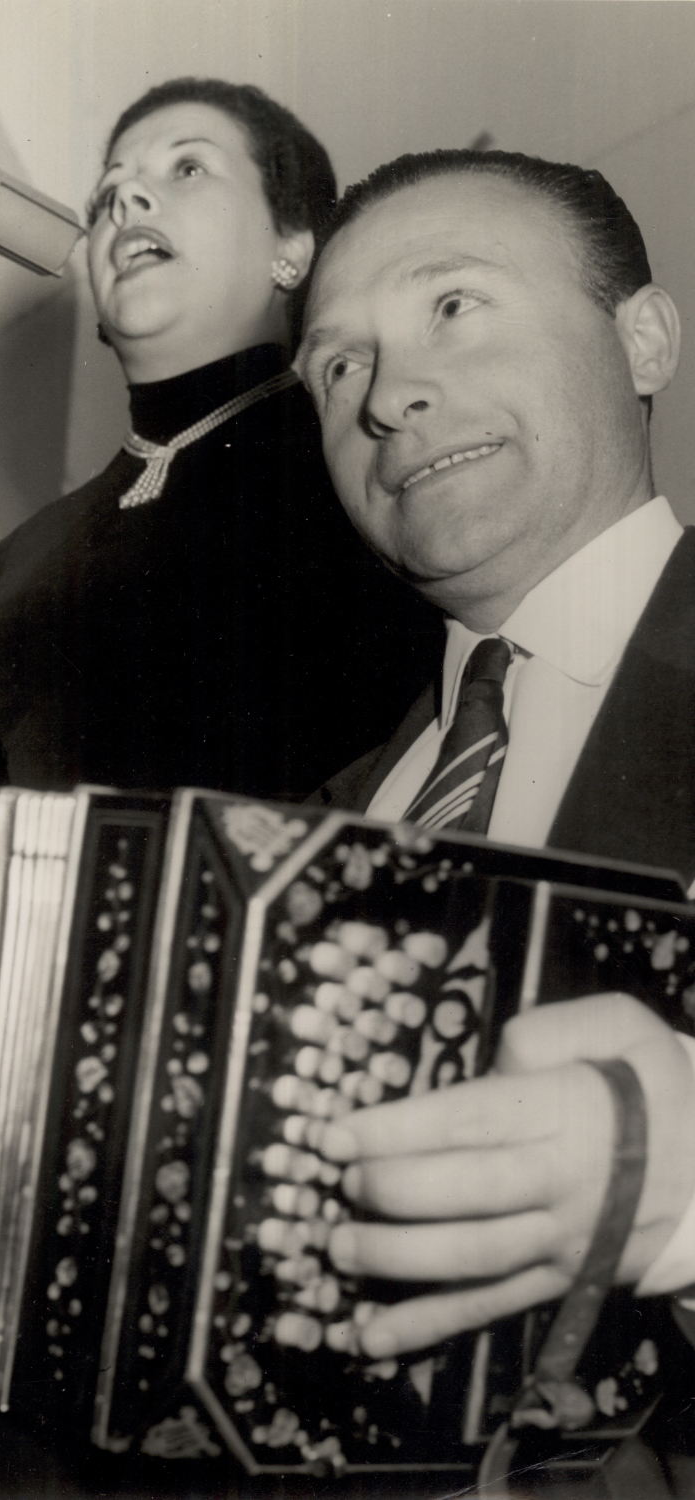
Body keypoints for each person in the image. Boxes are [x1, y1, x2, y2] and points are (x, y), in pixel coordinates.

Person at [293, 148, 695, 1492]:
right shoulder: (310, 829)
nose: (385, 395)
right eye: (337, 367)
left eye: (453, 307)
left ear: (644, 339)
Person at [0, 77, 442, 802]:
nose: (125, 200)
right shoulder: (21, 557)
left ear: (293, 250)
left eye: (188, 168)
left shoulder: (366, 458)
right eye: (106, 194)